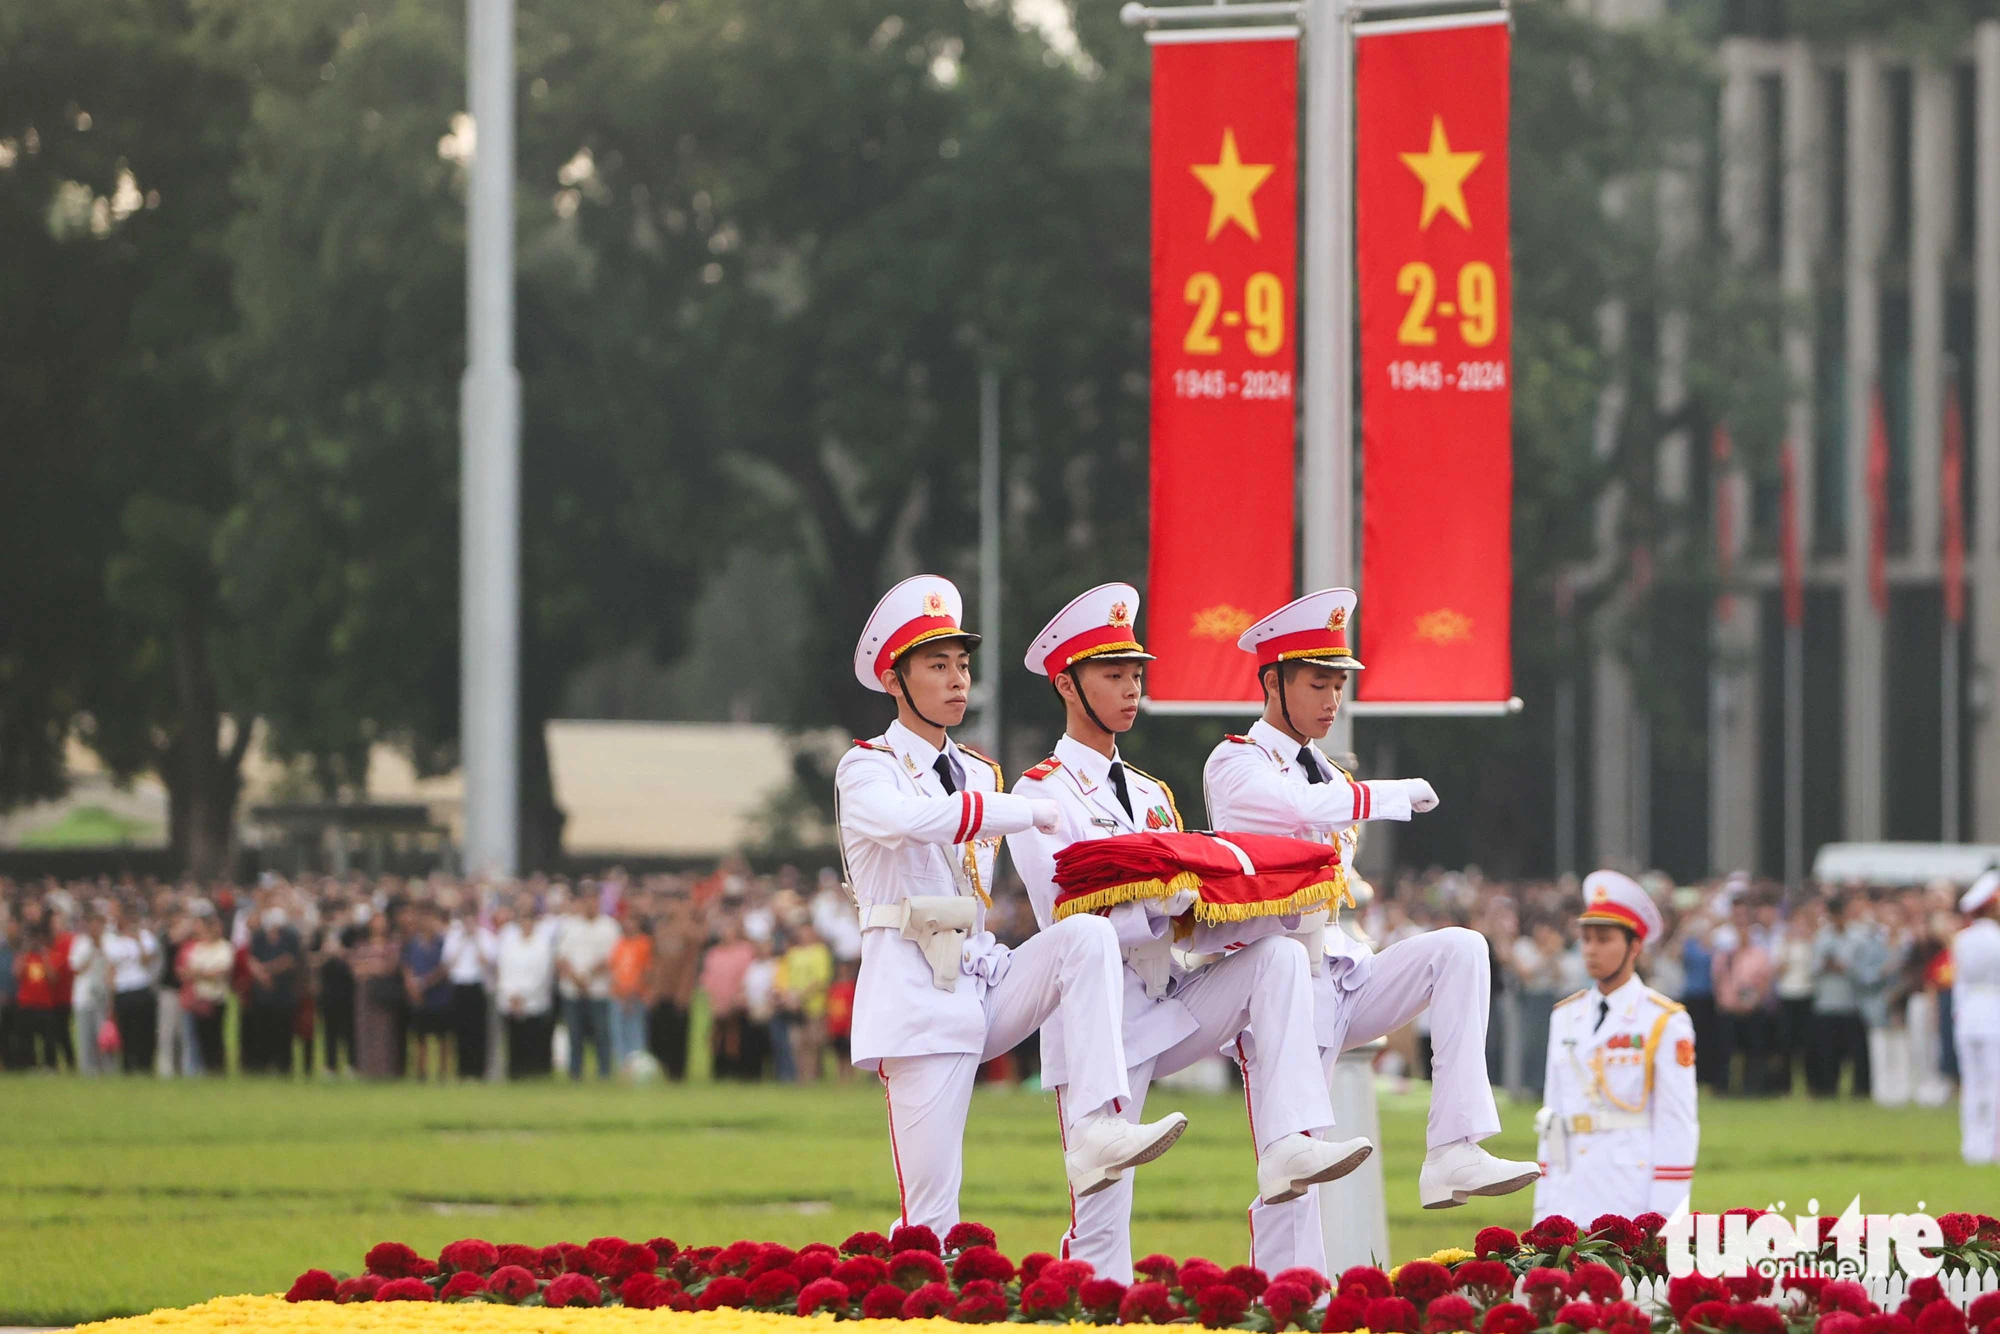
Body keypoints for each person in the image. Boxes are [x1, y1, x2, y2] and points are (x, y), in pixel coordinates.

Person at [1008, 582, 1365, 1282]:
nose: (1131, 689)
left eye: (1136, 674)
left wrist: (1246, 901)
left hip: (1165, 996)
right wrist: (1159, 900)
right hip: (1099, 1015)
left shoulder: (1150, 794)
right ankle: (1090, 1318)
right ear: (1067, 686)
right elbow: (1066, 908)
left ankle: (1289, 1139)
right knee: (1103, 1215)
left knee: (1275, 960)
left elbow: (1196, 917)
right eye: (1113, 675)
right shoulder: (1038, 793)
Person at [1201, 587, 1535, 1275]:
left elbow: (1320, 807)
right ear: (1272, 682)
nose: (1332, 699)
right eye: (1316, 683)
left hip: (1343, 971)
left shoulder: (1324, 767)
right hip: (1279, 986)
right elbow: (1296, 808)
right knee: (1291, 1173)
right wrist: (1393, 791)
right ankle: (1290, 1303)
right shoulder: (1234, 762)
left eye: (1338, 684)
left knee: (1461, 949)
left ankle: (1453, 1150)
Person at [838, 574, 1183, 1235]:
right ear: (893, 680)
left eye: (962, 664)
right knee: (932, 1216)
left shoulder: (977, 768)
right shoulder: (867, 767)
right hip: (916, 995)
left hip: (981, 980)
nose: (957, 679)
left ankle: (1096, 1127)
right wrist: (1022, 811)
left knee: (1085, 938)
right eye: (936, 666)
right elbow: (908, 820)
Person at [1531, 871, 1699, 1222]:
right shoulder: (1565, 1016)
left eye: (1604, 939)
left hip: (1629, 1189)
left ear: (1634, 946)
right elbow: (1553, 1115)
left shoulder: (1663, 1020)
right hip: (1569, 1186)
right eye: (1586, 938)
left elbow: (1677, 1122)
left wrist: (1665, 1212)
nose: (1591, 950)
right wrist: (1544, 1204)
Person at [1952, 871, 2000, 1164]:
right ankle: (1993, 1148)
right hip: (1994, 1013)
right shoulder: (1996, 940)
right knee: (1995, 1086)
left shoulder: (1962, 939)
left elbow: (1961, 983)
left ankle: (1973, 1147)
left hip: (1968, 1015)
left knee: (1972, 1085)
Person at [555, 892, 618, 1080]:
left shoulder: (609, 926)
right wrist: (576, 978)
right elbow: (561, 957)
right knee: (575, 1034)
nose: (590, 905)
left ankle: (604, 1072)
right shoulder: (570, 926)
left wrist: (588, 976)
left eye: (594, 901)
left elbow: (612, 958)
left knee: (601, 1034)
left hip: (599, 990)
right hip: (572, 990)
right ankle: (575, 1073)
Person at [495, 893, 557, 1078]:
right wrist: (511, 994)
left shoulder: (542, 943)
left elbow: (541, 973)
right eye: (523, 918)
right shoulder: (508, 939)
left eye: (529, 918)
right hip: (510, 1000)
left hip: (534, 1001)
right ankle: (515, 1073)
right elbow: (503, 968)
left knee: (533, 1040)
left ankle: (536, 1073)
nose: (526, 923)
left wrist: (524, 995)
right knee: (514, 1041)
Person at [644, 900, 700, 1081]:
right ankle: (659, 1069)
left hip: (679, 994)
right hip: (661, 993)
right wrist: (653, 988)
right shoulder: (660, 930)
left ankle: (677, 1075)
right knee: (658, 1036)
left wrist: (684, 992)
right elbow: (655, 962)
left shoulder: (689, 932)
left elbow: (690, 964)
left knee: (678, 1037)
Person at [349, 907, 406, 1079]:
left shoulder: (391, 945)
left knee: (384, 1031)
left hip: (383, 992)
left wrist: (369, 968)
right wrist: (373, 967)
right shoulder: (361, 945)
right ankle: (366, 1070)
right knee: (365, 1030)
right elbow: (355, 969)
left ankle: (385, 1070)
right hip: (365, 993)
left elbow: (389, 968)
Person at [442, 901, 496, 1080]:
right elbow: (448, 963)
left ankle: (478, 1070)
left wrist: (476, 940)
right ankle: (462, 1070)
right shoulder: (454, 936)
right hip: (459, 985)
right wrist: (464, 940)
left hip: (477, 985)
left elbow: (488, 962)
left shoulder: (486, 936)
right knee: (460, 1030)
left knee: (478, 1030)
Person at [400, 904, 453, 1079]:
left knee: (443, 1037)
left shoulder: (443, 942)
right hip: (419, 997)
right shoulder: (412, 943)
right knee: (420, 1037)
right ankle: (421, 1072)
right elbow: (406, 965)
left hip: (439, 996)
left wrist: (425, 982)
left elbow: (445, 967)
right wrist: (412, 985)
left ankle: (443, 1072)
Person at [179, 911, 234, 1074]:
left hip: (216, 999)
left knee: (216, 1036)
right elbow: (187, 972)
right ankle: (204, 1070)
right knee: (202, 1037)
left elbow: (221, 972)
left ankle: (218, 1070)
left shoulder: (225, 947)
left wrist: (200, 973)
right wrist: (205, 974)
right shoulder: (199, 947)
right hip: (200, 999)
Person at [67, 910, 114, 1076]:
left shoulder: (110, 941)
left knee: (104, 1036)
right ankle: (88, 1071)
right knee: (85, 1037)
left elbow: (113, 965)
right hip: (84, 996)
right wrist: (92, 950)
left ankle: (108, 1070)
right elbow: (77, 968)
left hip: (104, 996)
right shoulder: (80, 942)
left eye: (98, 923)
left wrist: (102, 948)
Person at [608, 911, 653, 1072]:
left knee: (635, 1031)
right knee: (618, 1033)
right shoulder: (619, 944)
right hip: (617, 996)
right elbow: (613, 969)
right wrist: (620, 993)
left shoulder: (644, 944)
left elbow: (646, 972)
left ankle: (637, 1068)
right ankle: (622, 1068)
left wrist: (631, 994)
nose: (629, 924)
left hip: (636, 997)